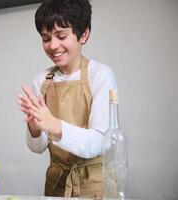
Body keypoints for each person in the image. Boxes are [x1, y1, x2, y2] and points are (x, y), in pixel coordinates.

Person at [18, 0, 117, 198]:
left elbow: (98, 142)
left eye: (61, 36)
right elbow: (37, 148)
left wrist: (53, 124)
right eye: (46, 38)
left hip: (95, 184)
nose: (53, 45)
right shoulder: (42, 80)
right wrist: (35, 128)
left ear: (84, 34)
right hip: (57, 183)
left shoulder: (100, 75)